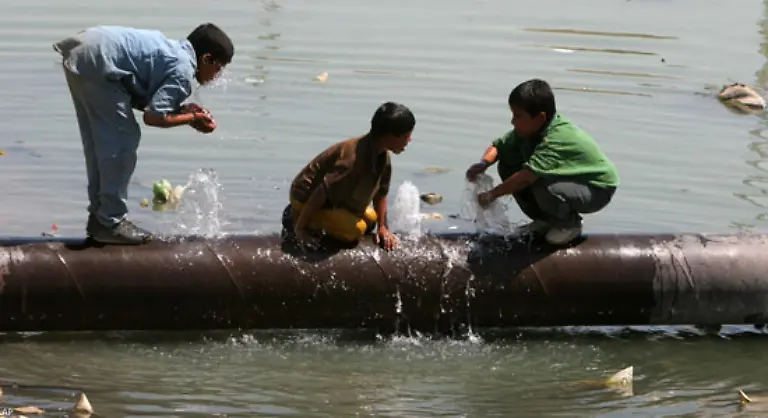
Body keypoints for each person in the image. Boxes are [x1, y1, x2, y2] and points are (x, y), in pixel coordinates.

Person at [53, 23, 234, 245]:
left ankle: (100, 217)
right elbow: (154, 118)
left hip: (86, 51)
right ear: (206, 59)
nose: (218, 75)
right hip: (99, 59)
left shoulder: (174, 53)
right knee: (123, 140)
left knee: (98, 142)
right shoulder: (184, 71)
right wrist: (193, 119)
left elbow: (146, 99)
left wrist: (184, 112)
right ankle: (110, 221)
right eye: (219, 67)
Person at [465, 79, 619, 245]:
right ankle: (544, 220)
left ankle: (568, 225)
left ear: (539, 118)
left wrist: (492, 195)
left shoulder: (555, 138)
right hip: (568, 181)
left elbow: (525, 178)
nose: (512, 121)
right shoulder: (528, 131)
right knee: (508, 164)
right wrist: (483, 164)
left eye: (518, 116)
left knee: (541, 182)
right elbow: (499, 147)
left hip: (595, 187)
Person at [285, 102, 415, 251]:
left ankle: (324, 219)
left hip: (333, 201)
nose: (409, 141)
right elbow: (321, 191)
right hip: (305, 198)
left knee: (371, 219)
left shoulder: (382, 156)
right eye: (406, 136)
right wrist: (300, 229)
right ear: (389, 136)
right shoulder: (353, 160)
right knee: (354, 230)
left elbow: (381, 193)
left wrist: (383, 227)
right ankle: (294, 217)